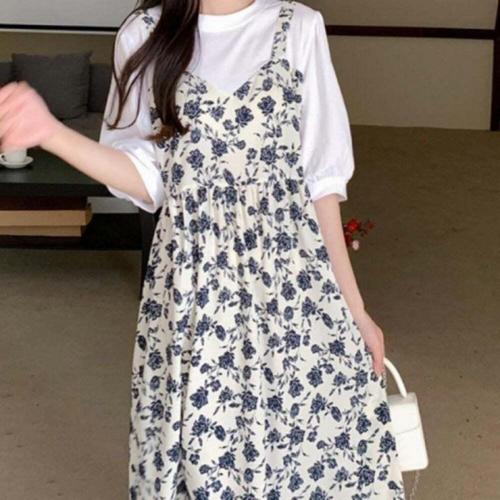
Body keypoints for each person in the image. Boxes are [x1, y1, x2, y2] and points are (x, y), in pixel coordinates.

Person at [0, 0, 406, 498]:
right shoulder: (144, 34)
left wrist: (354, 308)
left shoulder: (298, 26)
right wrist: (50, 133)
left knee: (304, 438)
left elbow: (321, 183)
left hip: (288, 280)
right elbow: (147, 180)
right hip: (194, 287)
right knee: (204, 447)